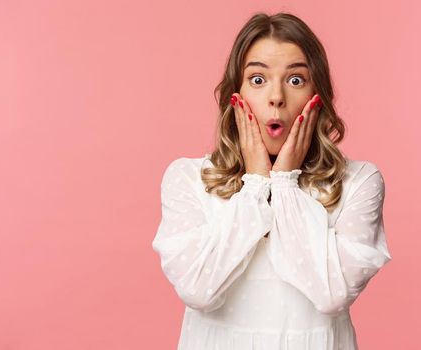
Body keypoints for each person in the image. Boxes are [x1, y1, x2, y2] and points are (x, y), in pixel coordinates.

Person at [151, 12, 391, 349]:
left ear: (317, 94)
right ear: (236, 93)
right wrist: (256, 186)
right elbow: (198, 290)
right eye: (258, 79)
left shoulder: (359, 182)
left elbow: (331, 296)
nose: (276, 97)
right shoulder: (188, 179)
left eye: (295, 80)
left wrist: (284, 185)